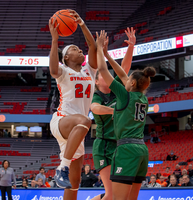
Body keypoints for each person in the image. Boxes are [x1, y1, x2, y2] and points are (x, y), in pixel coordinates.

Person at [96, 30, 155, 200]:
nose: (125, 79)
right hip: (142, 151)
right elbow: (122, 73)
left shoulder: (124, 95)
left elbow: (102, 69)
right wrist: (107, 54)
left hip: (126, 149)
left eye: (128, 79)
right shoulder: (143, 98)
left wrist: (100, 49)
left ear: (133, 83)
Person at [48, 10, 98, 199]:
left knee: (74, 183)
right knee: (85, 120)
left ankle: (64, 169)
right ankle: (62, 167)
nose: (80, 50)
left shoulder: (89, 70)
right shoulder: (63, 71)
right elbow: (53, 68)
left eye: (79, 48)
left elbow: (93, 48)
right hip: (63, 121)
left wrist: (82, 24)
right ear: (66, 57)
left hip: (77, 132)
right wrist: (55, 40)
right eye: (75, 49)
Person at [90, 27, 135, 200]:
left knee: (117, 195)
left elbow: (124, 68)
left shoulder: (115, 88)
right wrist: (115, 111)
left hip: (118, 145)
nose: (107, 74)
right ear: (96, 80)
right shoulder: (97, 95)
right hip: (103, 146)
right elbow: (94, 109)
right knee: (111, 195)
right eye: (103, 73)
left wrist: (131, 47)